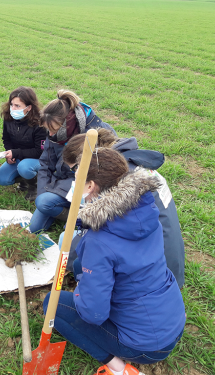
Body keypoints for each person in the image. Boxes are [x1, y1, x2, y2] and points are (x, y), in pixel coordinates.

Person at [43, 148, 185, 375]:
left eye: (76, 177)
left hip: (146, 345)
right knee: (81, 266)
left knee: (53, 303)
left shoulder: (99, 242)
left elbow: (93, 314)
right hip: (173, 321)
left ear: (89, 186)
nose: (73, 183)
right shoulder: (144, 212)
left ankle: (118, 367)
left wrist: (82, 294)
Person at [60, 128, 185, 287]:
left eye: (74, 169)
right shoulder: (125, 163)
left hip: (153, 274)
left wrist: (65, 262)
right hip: (165, 257)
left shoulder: (117, 181)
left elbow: (93, 225)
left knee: (71, 242)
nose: (74, 174)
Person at [29, 89, 115, 233]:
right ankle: (65, 211)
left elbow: (108, 173)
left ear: (66, 126)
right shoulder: (55, 133)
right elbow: (45, 164)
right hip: (63, 183)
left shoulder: (99, 133)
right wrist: (43, 192)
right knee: (36, 223)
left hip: (89, 187)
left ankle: (80, 218)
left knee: (46, 205)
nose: (49, 135)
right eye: (48, 130)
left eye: (53, 130)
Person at [0, 87, 46, 201]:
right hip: (19, 156)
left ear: (29, 107)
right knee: (1, 179)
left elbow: (40, 151)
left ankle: (34, 186)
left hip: (38, 159)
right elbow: (6, 139)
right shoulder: (8, 117)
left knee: (24, 167)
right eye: (11, 104)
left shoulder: (39, 124)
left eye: (17, 106)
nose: (13, 108)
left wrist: (16, 153)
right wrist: (9, 154)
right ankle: (24, 180)